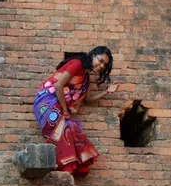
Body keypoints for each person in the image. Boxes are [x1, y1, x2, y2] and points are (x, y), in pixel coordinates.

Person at [33, 46, 118, 176]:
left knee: (74, 128)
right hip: (47, 101)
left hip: (61, 107)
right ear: (93, 55)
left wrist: (106, 91)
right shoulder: (76, 64)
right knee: (67, 127)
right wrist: (66, 111)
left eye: (104, 65)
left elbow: (88, 99)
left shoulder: (86, 78)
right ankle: (65, 168)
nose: (101, 66)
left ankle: (72, 168)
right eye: (100, 61)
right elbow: (58, 85)